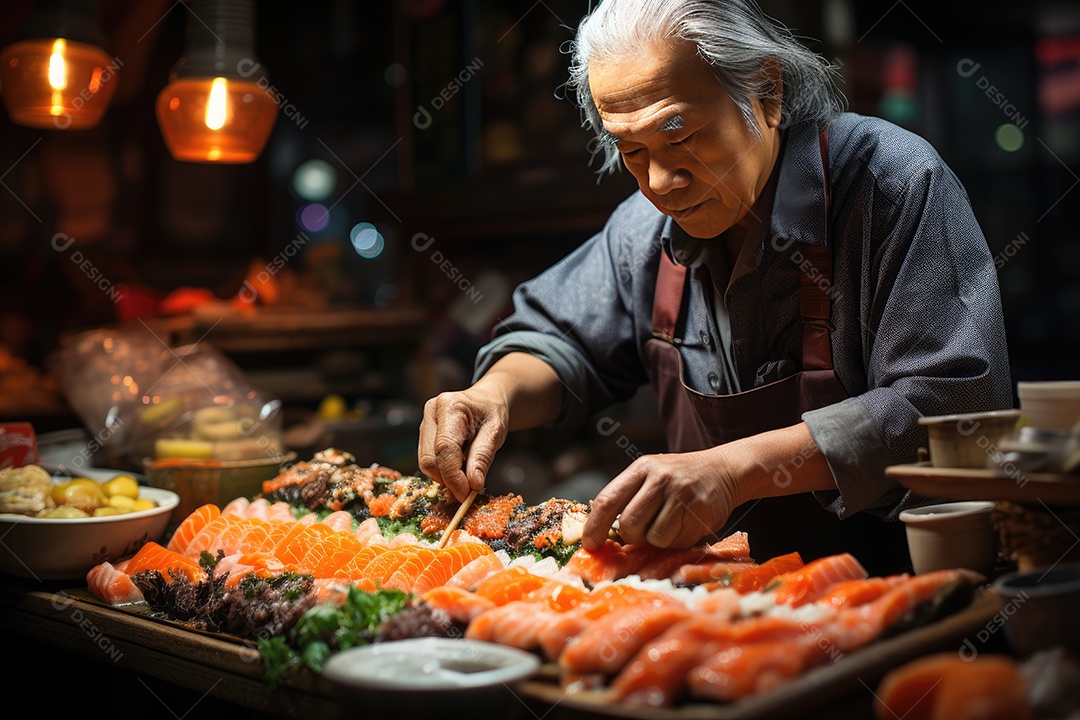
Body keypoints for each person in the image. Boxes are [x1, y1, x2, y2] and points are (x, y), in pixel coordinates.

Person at [417, 0, 1012, 575]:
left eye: (681, 137)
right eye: (631, 149)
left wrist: (736, 468)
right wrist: (491, 395)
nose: (659, 181)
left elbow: (954, 407)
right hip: (719, 603)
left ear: (766, 93)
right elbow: (556, 339)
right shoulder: (642, 230)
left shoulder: (891, 184)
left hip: (895, 591)